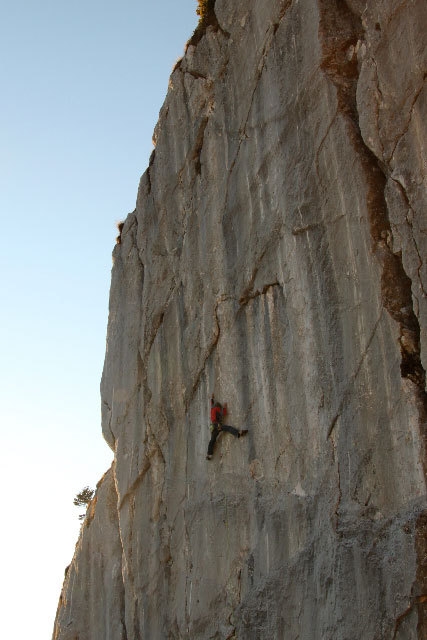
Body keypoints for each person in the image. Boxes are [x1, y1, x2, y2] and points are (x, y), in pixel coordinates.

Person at [206, 394, 248, 459]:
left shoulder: (212, 409)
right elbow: (223, 413)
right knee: (228, 428)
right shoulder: (217, 408)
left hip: (213, 427)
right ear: (218, 406)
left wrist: (212, 398)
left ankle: (209, 454)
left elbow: (211, 404)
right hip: (217, 425)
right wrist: (225, 407)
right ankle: (238, 433)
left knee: (212, 440)